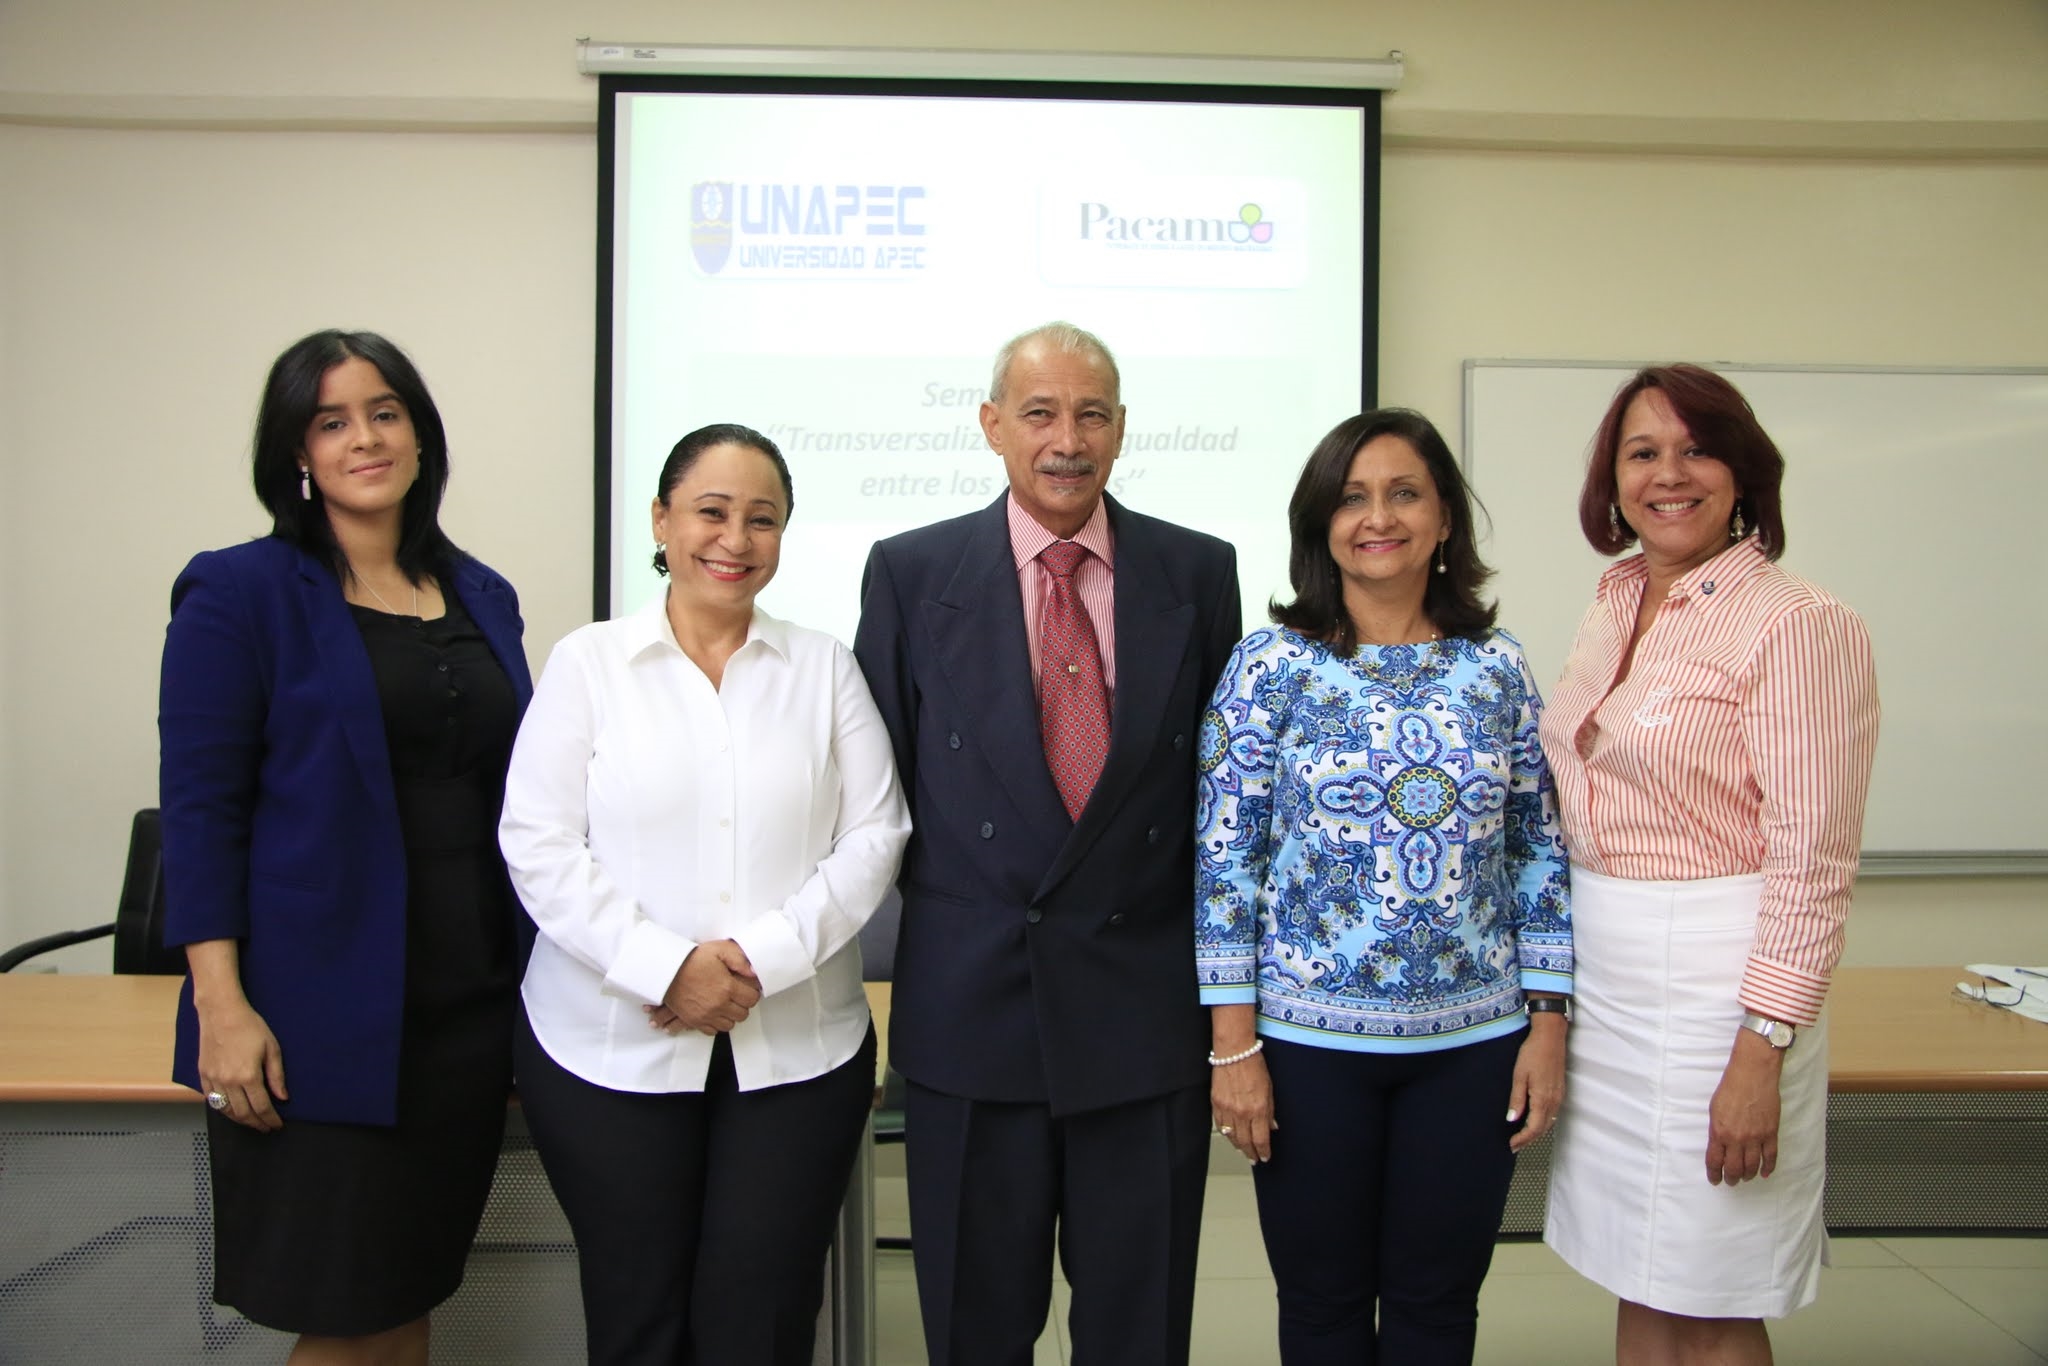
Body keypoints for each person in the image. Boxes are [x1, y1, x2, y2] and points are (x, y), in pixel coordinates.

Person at [852, 321, 1242, 1366]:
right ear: (991, 426)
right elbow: (873, 799)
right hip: (972, 1020)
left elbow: (1218, 808)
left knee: (1138, 1334)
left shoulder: (1197, 573)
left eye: (1090, 413)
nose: (1065, 438)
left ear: (1120, 429)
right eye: (1038, 412)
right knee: (975, 1336)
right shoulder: (908, 574)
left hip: (1142, 1021)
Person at [498, 423, 910, 1366]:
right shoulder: (588, 665)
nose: (735, 539)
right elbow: (538, 841)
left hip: (798, 1052)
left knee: (758, 1324)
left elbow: (875, 834)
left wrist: (756, 962)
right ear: (661, 519)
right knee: (638, 1314)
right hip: (608, 1051)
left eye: (761, 519)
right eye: (711, 512)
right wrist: (666, 968)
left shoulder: (824, 666)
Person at [160, 329, 533, 1365]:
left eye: (384, 411)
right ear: (296, 453)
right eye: (331, 421)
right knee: (351, 1311)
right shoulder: (240, 591)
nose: (363, 437)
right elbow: (200, 810)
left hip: (462, 1011)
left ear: (420, 434)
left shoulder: (481, 592)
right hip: (316, 1021)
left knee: (405, 1300)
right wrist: (222, 1010)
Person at [1198, 408, 1574, 1364]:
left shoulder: (1499, 667)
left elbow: (1537, 847)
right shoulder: (1268, 667)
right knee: (1321, 1307)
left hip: (1475, 1046)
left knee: (1439, 1309)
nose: (1379, 517)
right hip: (1306, 1048)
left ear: (1445, 518)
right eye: (1353, 497)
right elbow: (1224, 862)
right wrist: (1231, 1049)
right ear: (1321, 523)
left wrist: (1548, 1022)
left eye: (1404, 493)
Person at [1539, 365, 1880, 1364]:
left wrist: (1757, 1048)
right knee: (1641, 1271)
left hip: (1720, 986)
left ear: (1742, 472)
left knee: (1713, 1290)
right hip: (1610, 975)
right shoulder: (1611, 604)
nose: (1667, 473)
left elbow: (1812, 859)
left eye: (1695, 448)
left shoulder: (1796, 621)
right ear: (1612, 479)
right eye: (1641, 452)